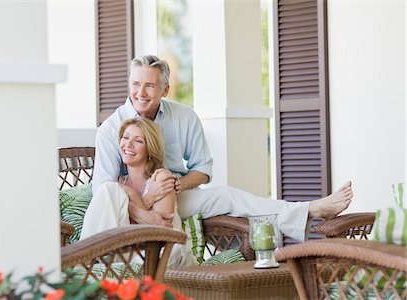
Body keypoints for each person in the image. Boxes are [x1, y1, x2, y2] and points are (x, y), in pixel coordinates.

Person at [93, 54, 353, 243]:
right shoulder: (110, 129)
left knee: (229, 196)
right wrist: (146, 206)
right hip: (130, 204)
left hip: (176, 196)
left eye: (149, 85)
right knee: (126, 202)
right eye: (136, 84)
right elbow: (105, 191)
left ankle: (309, 210)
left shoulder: (184, 116)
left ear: (165, 89)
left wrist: (176, 187)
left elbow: (203, 169)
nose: (141, 92)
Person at [81, 117, 198, 268]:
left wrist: (133, 200)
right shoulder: (119, 186)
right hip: (126, 256)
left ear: (150, 149)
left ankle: (83, 263)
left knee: (108, 189)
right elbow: (148, 221)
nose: (128, 144)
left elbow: (160, 232)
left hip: (163, 253)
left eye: (138, 141)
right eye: (125, 137)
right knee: (108, 188)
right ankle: (87, 263)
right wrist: (135, 195)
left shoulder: (160, 178)